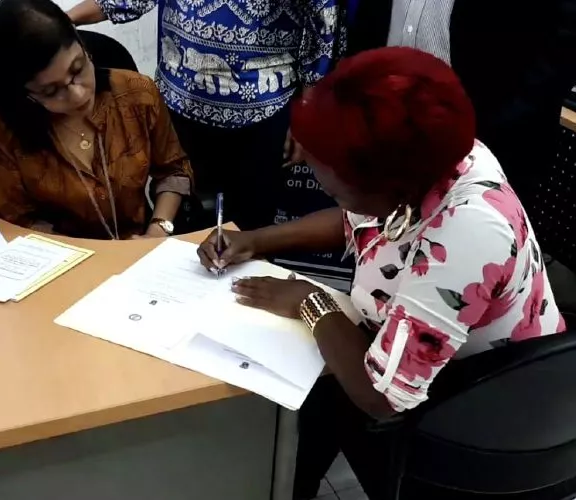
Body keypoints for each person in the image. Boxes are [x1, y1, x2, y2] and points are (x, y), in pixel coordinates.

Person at [196, 47, 567, 500]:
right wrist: (256, 240)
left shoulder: (463, 233)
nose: (322, 186)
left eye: (332, 185)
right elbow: (357, 218)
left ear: (383, 185)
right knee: (307, 403)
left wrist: (310, 303)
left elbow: (382, 396)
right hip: (422, 352)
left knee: (310, 399)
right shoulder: (438, 156)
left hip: (478, 409)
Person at [67, 0, 342, 230]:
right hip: (178, 107)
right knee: (176, 216)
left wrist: (308, 110)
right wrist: (62, 21)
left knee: (250, 226)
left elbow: (323, 29)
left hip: (262, 114)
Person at [0, 0, 193, 240]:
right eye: (51, 91)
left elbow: (173, 171)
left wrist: (158, 229)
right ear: (24, 94)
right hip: (62, 255)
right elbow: (18, 220)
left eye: (78, 69)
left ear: (81, 45)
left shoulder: (137, 94)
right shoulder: (3, 129)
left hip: (139, 247)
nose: (78, 95)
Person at [345, 0, 576, 212]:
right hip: (381, 132)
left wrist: (505, 118)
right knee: (371, 233)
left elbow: (565, 37)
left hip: (488, 143)